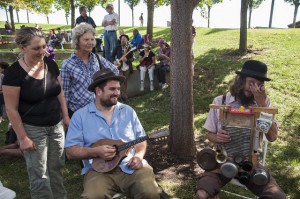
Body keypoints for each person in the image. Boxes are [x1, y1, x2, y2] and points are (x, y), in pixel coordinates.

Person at [196, 60, 286, 199]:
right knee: (202, 194)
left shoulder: (263, 103)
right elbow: (210, 135)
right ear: (241, 80)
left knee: (277, 197)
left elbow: (272, 137)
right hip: (223, 162)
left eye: (258, 84)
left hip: (251, 166)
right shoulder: (221, 101)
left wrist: (262, 105)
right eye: (251, 82)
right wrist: (217, 137)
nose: (253, 88)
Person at [65, 68, 160, 199]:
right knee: (93, 196)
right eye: (112, 89)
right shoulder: (80, 116)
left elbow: (141, 139)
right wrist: (95, 152)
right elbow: (70, 152)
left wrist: (138, 156)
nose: (117, 93)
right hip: (98, 172)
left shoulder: (128, 112)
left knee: (150, 193)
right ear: (98, 91)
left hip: (130, 167)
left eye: (118, 89)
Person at [2, 27, 69, 199]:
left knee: (56, 169)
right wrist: (23, 138)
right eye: (36, 48)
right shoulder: (13, 74)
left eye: (44, 46)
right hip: (33, 129)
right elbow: (11, 109)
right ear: (22, 48)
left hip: (56, 126)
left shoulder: (52, 64)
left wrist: (66, 117)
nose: (42, 51)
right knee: (40, 175)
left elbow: (59, 92)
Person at [61, 23, 119, 118]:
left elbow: (115, 71)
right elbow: (64, 94)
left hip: (98, 112)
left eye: (92, 39)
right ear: (77, 41)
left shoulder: (97, 58)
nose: (90, 42)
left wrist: (103, 83)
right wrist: (65, 117)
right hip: (77, 114)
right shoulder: (67, 64)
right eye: (86, 39)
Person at [112, 34, 134, 102]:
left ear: (127, 40)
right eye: (122, 39)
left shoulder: (130, 48)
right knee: (121, 82)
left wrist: (127, 60)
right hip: (119, 67)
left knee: (125, 82)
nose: (123, 40)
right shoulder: (117, 47)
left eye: (124, 39)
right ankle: (125, 96)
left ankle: (121, 96)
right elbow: (112, 56)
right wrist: (115, 61)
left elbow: (133, 58)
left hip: (127, 67)